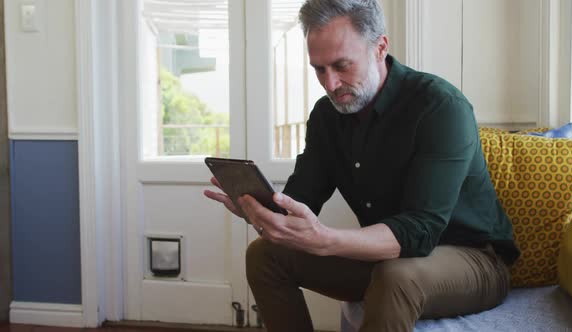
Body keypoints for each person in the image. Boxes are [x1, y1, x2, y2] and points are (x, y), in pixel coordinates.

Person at [204, 0, 520, 331]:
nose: (330, 84)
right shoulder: (326, 116)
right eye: (319, 69)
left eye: (342, 65)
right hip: (384, 257)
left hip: (473, 260)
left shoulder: (440, 106)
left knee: (397, 276)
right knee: (264, 255)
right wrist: (264, 211)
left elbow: (420, 230)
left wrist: (326, 239)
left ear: (380, 47)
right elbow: (302, 199)